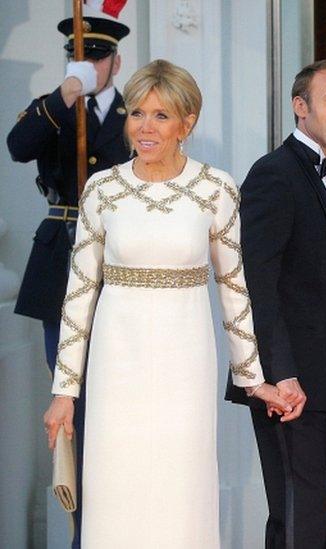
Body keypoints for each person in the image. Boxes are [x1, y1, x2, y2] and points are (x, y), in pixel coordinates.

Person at [41, 59, 291, 548]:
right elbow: (79, 292)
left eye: (160, 115)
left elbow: (234, 288)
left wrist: (253, 378)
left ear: (187, 122)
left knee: (181, 487)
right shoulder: (103, 189)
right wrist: (65, 390)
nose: (145, 127)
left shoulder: (215, 189)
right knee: (116, 488)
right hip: (116, 366)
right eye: (137, 113)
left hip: (185, 365)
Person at [225, 59, 326, 549]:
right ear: (299, 106)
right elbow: (254, 284)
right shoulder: (274, 175)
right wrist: (279, 375)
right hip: (287, 385)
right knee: (297, 518)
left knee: (306, 519)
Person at [6, 16, 130, 545]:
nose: (89, 67)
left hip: (119, 264)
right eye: (79, 58)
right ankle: (82, 533)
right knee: (70, 400)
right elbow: (18, 145)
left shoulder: (137, 113)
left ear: (115, 63)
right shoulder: (55, 109)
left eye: (97, 59)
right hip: (61, 265)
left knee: (120, 401)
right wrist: (66, 92)